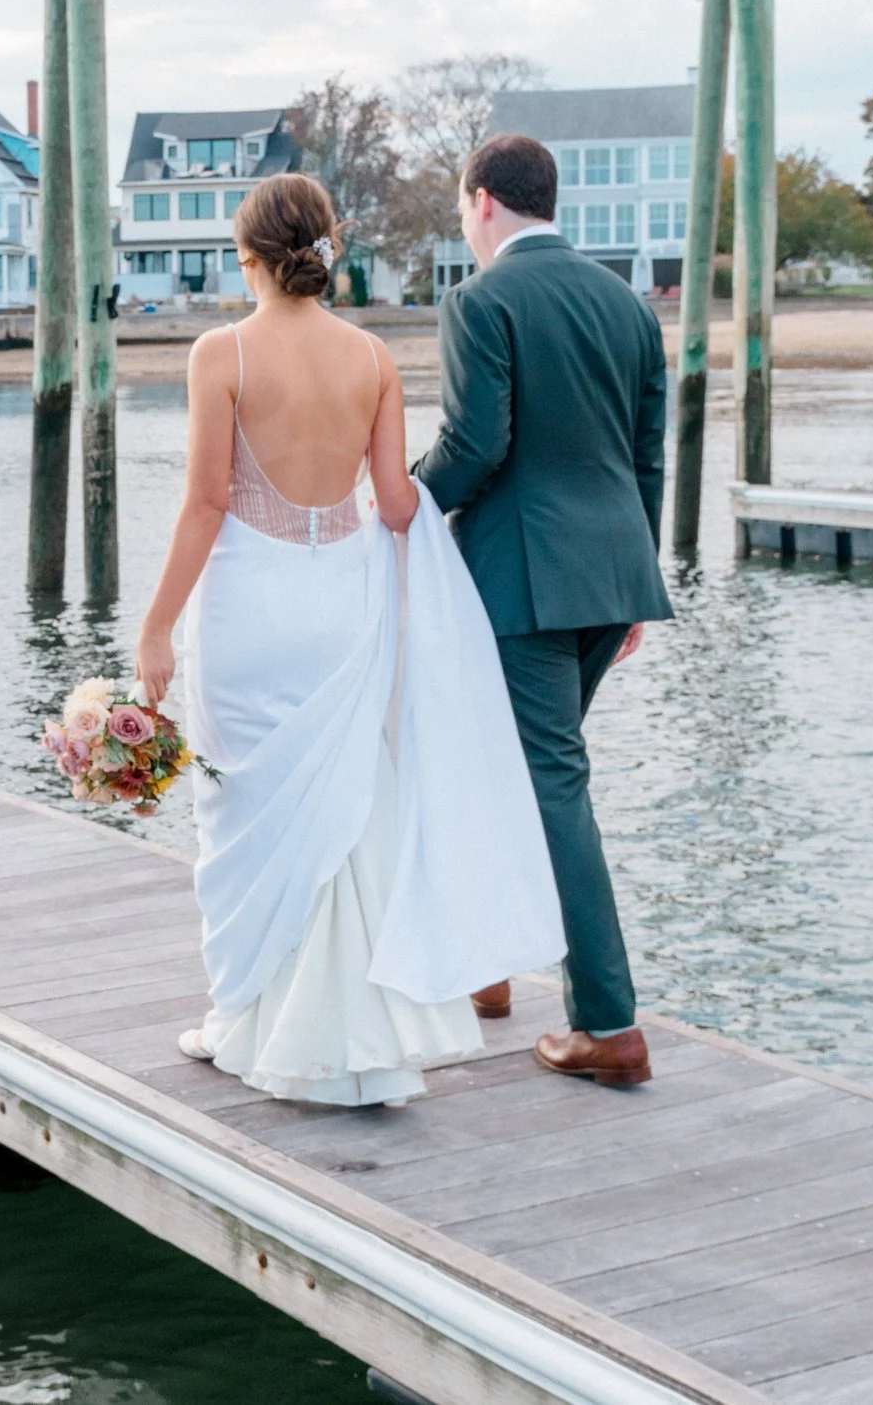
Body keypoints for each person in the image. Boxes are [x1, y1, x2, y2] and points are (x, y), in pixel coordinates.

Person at [134, 173, 566, 1108]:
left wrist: (156, 624)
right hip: (342, 607)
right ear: (325, 251)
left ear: (247, 257)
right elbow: (401, 503)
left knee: (241, 815)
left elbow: (207, 502)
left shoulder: (222, 354)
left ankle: (242, 1015)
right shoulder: (372, 357)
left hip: (249, 606)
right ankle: (346, 1031)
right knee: (342, 815)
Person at [412, 134, 672, 1087]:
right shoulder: (629, 304)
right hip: (611, 576)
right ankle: (486, 973)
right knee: (515, 774)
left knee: (550, 786)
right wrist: (634, 578)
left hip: (524, 579)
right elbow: (648, 455)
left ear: (483, 202)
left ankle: (607, 1022)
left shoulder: (481, 300)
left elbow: (476, 443)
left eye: (459, 207)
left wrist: (400, 504)